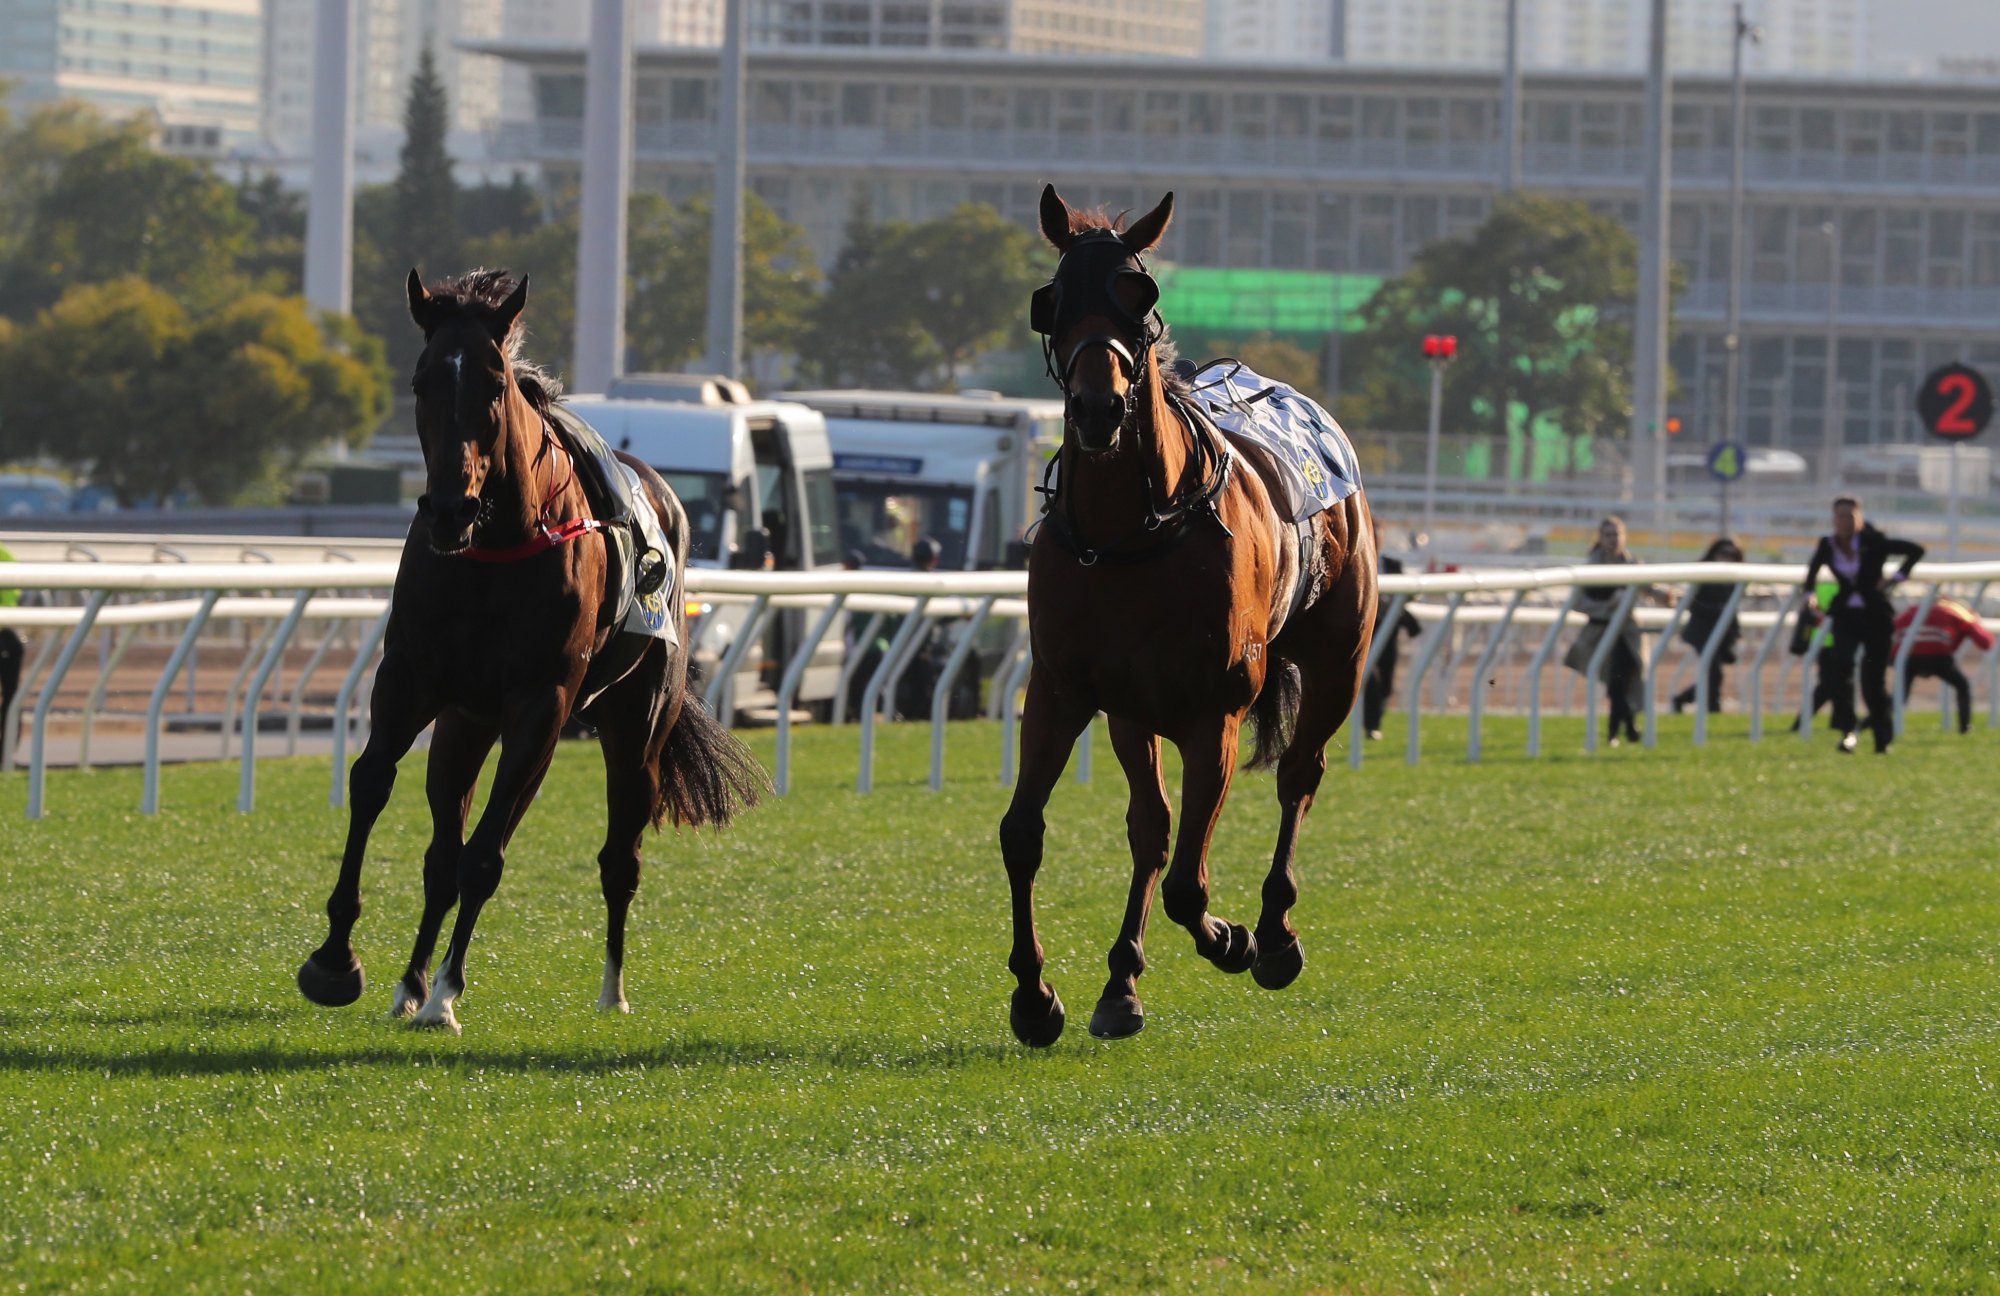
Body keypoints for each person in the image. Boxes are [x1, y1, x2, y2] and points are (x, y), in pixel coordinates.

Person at [1802, 495, 1923, 754]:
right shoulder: (1828, 544)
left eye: (1849, 516)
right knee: (1840, 670)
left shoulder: (1874, 542)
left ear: (1859, 518)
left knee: (1872, 680)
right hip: (1846, 615)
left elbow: (1915, 550)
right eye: (1839, 516)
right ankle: (1848, 730)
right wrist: (1809, 595)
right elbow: (1811, 574)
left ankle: (1882, 737)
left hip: (1875, 617)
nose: (1844, 521)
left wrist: (1894, 579)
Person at [1568, 515, 1645, 746]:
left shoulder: (1633, 564)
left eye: (1617, 534)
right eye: (1608, 535)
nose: (1613, 539)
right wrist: (1606, 606)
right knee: (1615, 683)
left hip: (1626, 633)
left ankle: (1619, 730)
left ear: (1624, 537)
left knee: (1621, 682)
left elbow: (1649, 586)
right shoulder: (1591, 566)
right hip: (1600, 632)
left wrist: (1664, 596)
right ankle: (1626, 728)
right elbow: (1577, 602)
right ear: (1601, 538)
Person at [1893, 596, 1994, 733]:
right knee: (1962, 685)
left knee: (1900, 696)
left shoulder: (1914, 610)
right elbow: (1986, 642)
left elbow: (1893, 628)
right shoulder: (1958, 611)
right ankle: (1965, 728)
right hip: (1938, 656)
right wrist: (1975, 620)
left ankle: (1871, 721)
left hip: (1907, 656)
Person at [1672, 536, 1745, 714]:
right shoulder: (1703, 573)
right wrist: (1718, 610)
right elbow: (1694, 603)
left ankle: (1684, 699)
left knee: (1714, 674)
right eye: (1723, 554)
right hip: (1702, 631)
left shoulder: (1735, 577)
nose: (1727, 558)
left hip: (1722, 633)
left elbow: (1732, 610)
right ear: (1713, 554)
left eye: (1732, 555)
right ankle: (1712, 708)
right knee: (1714, 673)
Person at [1362, 518, 1420, 739]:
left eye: (1379, 535)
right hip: (1365, 631)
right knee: (1371, 678)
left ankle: (1375, 720)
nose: (1376, 539)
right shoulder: (1354, 560)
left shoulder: (1393, 565)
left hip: (1388, 631)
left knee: (1386, 684)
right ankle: (1371, 726)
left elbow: (1406, 592)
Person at [0, 541, 20, 762]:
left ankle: (6, 754)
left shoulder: (4, 554)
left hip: (3, 633)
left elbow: (10, 600)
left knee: (12, 697)